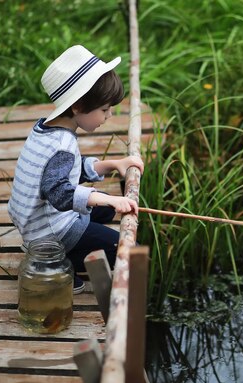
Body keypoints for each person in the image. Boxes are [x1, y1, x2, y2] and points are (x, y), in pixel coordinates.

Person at [8, 45, 144, 294]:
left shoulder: (47, 129)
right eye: (104, 109)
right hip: (50, 231)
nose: (109, 115)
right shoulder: (62, 143)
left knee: (103, 211)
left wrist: (113, 164)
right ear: (78, 106)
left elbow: (68, 170)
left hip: (36, 221)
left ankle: (58, 254)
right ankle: (53, 264)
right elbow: (59, 192)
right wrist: (108, 197)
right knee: (125, 249)